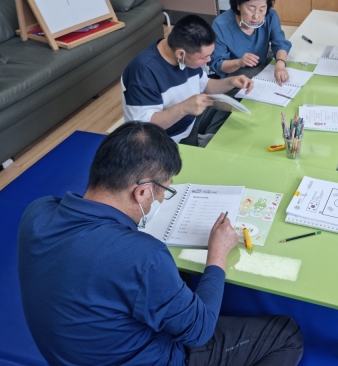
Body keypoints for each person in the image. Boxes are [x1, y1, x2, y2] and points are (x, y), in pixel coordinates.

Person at [18, 121, 304, 366]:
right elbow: (200, 331)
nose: (160, 199)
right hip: (154, 358)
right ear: (141, 192)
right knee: (286, 334)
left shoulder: (37, 213)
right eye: (162, 191)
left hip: (73, 355)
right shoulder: (143, 256)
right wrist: (217, 255)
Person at [121, 14, 254, 147]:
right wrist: (184, 108)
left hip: (189, 124)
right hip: (163, 142)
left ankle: (205, 139)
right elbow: (144, 128)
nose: (208, 60)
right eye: (204, 57)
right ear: (180, 54)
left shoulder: (187, 56)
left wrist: (231, 82)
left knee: (238, 99)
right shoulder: (143, 71)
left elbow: (205, 85)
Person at [209, 0, 292, 85]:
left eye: (262, 9)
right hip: (235, 76)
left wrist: (280, 66)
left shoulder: (270, 16)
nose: (256, 16)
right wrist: (239, 62)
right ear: (238, 5)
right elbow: (218, 64)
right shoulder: (221, 25)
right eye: (251, 8)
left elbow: (280, 43)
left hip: (263, 68)